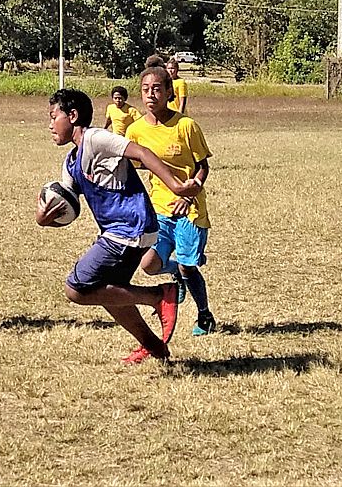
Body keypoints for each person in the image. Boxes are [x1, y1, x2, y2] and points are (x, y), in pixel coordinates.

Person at [41, 88, 200, 364]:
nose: (50, 124)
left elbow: (142, 152)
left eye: (54, 116)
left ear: (73, 115)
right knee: (109, 292)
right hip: (122, 231)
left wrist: (176, 186)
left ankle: (159, 295)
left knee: (76, 289)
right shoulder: (71, 162)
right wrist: (44, 219)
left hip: (130, 228)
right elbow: (67, 207)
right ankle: (154, 346)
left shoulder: (96, 138)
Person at [126, 66, 218, 336]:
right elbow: (134, 166)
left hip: (189, 210)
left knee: (188, 264)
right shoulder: (135, 130)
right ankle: (175, 274)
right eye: (145, 90)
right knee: (149, 265)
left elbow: (202, 166)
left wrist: (192, 189)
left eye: (157, 89)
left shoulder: (185, 126)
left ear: (169, 92)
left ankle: (204, 316)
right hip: (159, 210)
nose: (150, 95)